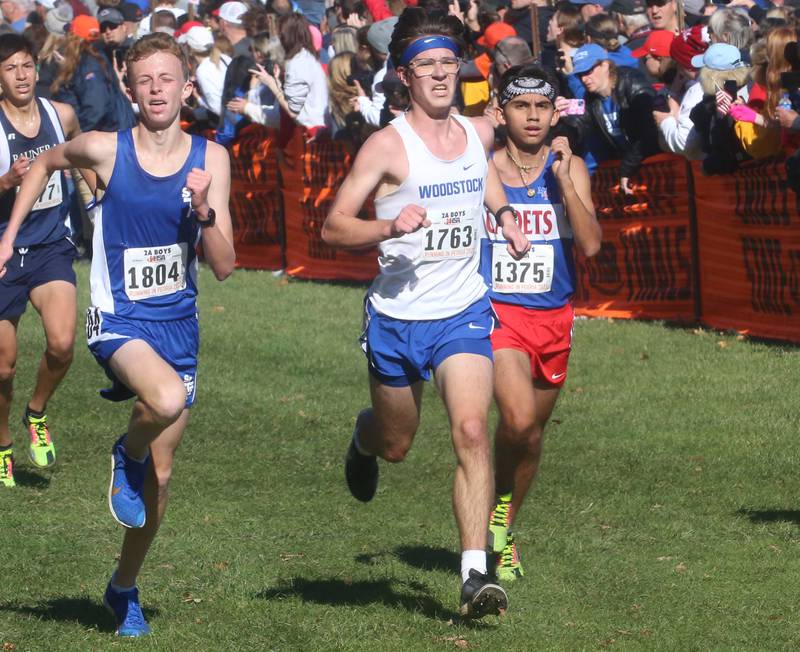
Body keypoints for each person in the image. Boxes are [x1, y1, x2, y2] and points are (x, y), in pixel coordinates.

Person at [0, 32, 235, 634]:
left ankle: (122, 587)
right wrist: (7, 236)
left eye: (167, 79)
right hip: (118, 320)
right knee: (165, 400)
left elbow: (227, 262)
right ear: (129, 91)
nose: (156, 90)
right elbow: (48, 161)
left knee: (159, 478)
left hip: (179, 326)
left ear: (186, 88)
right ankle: (122, 451)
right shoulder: (105, 148)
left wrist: (204, 210)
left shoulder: (212, 159)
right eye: (144, 81)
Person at [321, 7, 530, 619]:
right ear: (404, 77)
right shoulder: (387, 146)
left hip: (462, 310)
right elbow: (334, 227)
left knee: (471, 430)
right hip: (395, 318)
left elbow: (481, 178)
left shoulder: (479, 134)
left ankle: (473, 577)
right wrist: (390, 224)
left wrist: (505, 215)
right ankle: (363, 440)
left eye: (449, 64)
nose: (441, 75)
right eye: (427, 67)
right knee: (396, 444)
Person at [481, 64, 600, 581]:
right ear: (501, 111)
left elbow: (591, 244)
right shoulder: (482, 165)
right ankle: (487, 521)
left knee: (530, 438)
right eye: (520, 106)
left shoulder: (569, 168)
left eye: (541, 108)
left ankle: (501, 525)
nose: (531, 117)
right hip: (495, 314)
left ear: (555, 114)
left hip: (555, 317)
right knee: (518, 421)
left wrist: (563, 182)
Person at [0, 33, 82, 488]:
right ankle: (2, 444)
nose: (21, 75)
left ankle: (37, 413)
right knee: (3, 366)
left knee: (62, 344)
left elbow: (81, 147)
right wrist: (6, 182)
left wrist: (94, 193)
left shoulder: (59, 114)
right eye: (10, 68)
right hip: (4, 252)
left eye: (27, 65)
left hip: (51, 246)